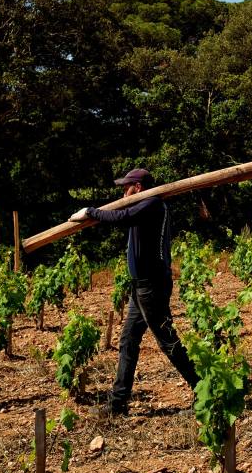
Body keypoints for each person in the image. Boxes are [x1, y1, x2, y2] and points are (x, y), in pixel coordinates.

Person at [70, 167, 198, 416]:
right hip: (141, 285)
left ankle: (204, 392)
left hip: (152, 285)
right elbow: (123, 213)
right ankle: (118, 403)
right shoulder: (145, 205)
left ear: (137, 187)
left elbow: (122, 217)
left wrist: (90, 212)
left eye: (125, 188)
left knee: (167, 340)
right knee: (128, 340)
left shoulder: (152, 204)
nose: (123, 193)